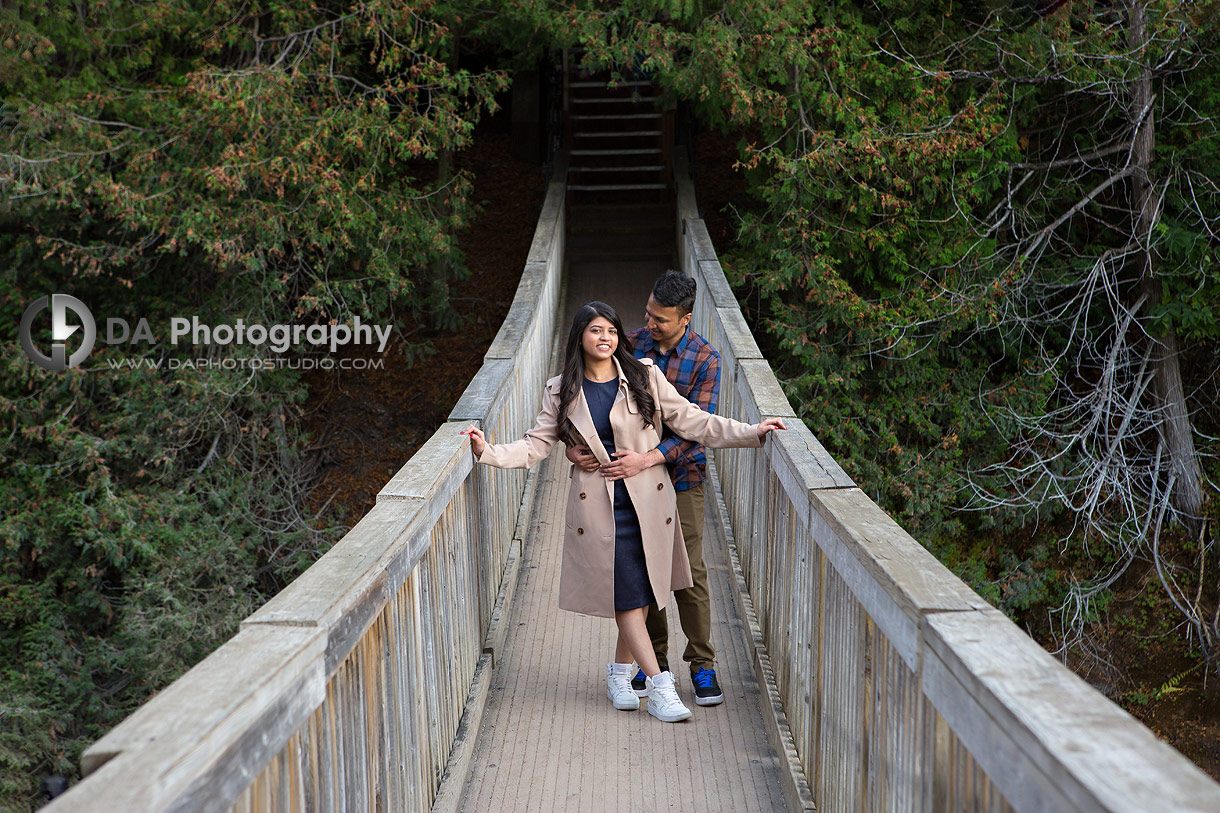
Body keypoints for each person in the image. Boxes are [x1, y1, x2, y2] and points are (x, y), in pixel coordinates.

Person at [465, 301, 785, 724]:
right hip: (599, 507)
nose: (606, 339)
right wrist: (488, 452)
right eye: (596, 331)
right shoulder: (561, 389)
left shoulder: (643, 375)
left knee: (639, 593)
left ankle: (619, 674)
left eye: (612, 331)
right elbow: (536, 445)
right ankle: (659, 686)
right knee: (628, 596)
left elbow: (693, 421)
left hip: (648, 503)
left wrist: (753, 432)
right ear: (580, 336)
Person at [568, 270, 726, 706]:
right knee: (643, 571)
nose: (649, 324)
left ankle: (703, 665)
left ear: (685, 319)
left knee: (686, 572)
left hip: (682, 475)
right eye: (647, 314)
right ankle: (654, 662)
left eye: (660, 319)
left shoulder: (706, 359)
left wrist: (649, 457)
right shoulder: (629, 343)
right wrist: (573, 451)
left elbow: (694, 426)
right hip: (632, 482)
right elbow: (589, 408)